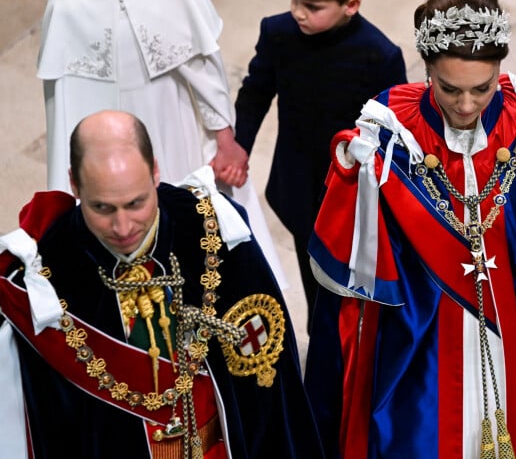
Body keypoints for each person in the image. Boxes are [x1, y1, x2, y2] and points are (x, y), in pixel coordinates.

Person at [304, 0, 516, 458]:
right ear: (426, 69)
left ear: (500, 70)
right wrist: (353, 176)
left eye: (483, 88)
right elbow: (358, 254)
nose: (468, 106)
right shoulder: (389, 131)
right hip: (425, 337)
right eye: (449, 88)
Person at [0, 110, 324, 458]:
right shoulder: (47, 281)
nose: (123, 228)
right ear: (74, 184)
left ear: (155, 171)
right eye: (102, 208)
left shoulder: (212, 231)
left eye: (135, 203)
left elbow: (273, 393)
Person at [36, 0, 285, 287]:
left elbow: (205, 71)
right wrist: (65, 189)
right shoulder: (65, 2)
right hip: (107, 144)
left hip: (175, 126)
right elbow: (61, 103)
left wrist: (224, 138)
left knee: (189, 237)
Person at [234, 0, 407, 330]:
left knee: (350, 285)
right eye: (294, 0)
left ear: (351, 5)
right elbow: (257, 90)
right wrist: (240, 145)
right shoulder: (278, 34)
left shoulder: (379, 56)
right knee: (312, 274)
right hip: (299, 182)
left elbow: (391, 129)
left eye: (311, 6)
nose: (297, 12)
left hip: (351, 191)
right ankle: (321, 338)